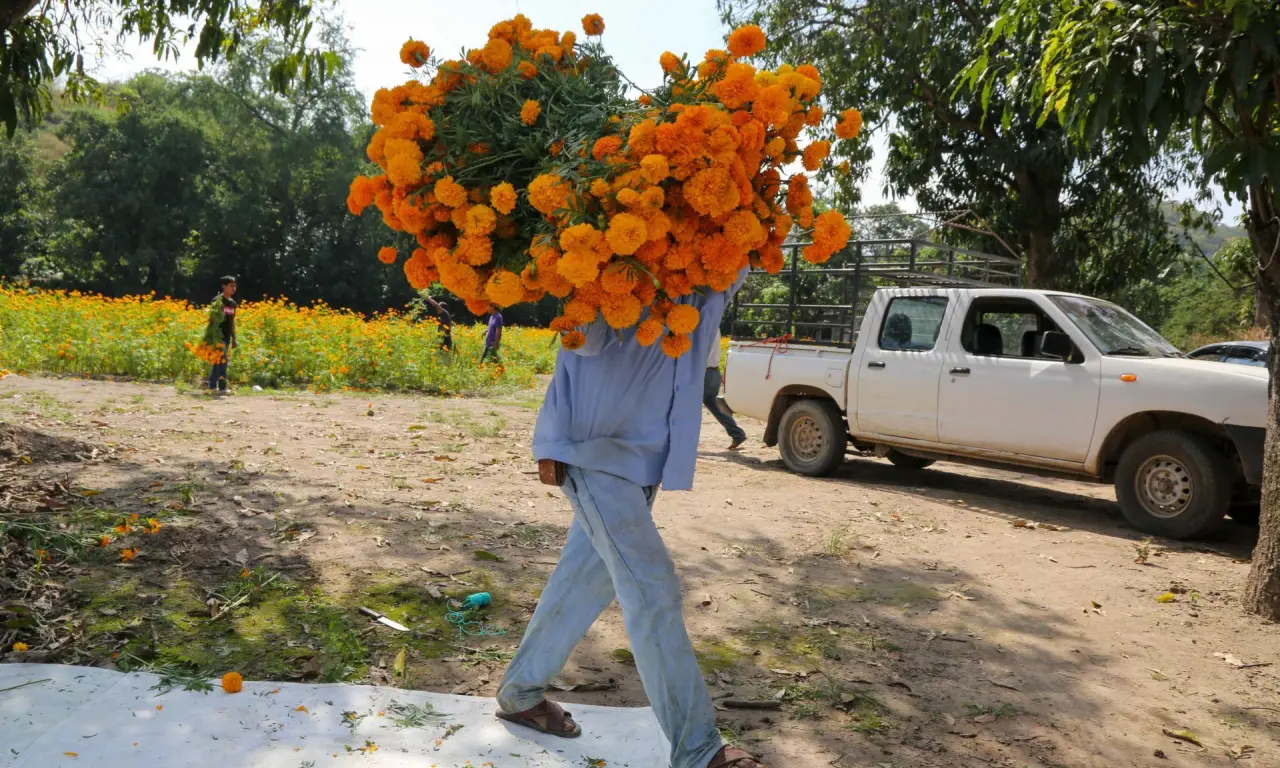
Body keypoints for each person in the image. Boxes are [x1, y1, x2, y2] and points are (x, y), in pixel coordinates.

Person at [494, 267, 765, 768]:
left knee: (585, 581)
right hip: (592, 453)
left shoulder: (698, 272)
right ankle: (699, 750)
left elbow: (729, 280)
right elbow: (585, 335)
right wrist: (620, 266)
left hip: (645, 460)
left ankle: (520, 692)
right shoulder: (605, 267)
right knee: (652, 586)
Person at [704, 332, 747, 451]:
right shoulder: (714, 328)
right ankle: (737, 434)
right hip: (714, 371)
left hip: (703, 372)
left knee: (686, 408)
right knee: (713, 405)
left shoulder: (703, 328)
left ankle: (682, 441)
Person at [206, 276, 237, 393]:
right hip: (217, 336)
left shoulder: (233, 303)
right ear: (224, 286)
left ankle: (212, 386)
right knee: (223, 361)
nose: (233, 288)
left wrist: (234, 338)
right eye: (231, 285)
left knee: (218, 361)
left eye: (235, 285)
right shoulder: (217, 301)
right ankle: (222, 387)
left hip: (227, 336)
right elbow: (212, 319)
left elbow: (232, 322)